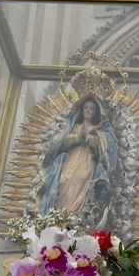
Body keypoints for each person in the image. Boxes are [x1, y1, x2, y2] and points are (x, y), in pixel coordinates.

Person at [38, 95, 120, 225]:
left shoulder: (97, 130)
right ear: (81, 110)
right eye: (86, 107)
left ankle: (76, 216)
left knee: (80, 181)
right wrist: (77, 138)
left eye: (92, 108)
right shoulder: (74, 126)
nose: (88, 110)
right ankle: (59, 216)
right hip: (71, 160)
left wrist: (88, 138)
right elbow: (62, 145)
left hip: (87, 163)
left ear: (96, 112)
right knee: (63, 181)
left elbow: (101, 150)